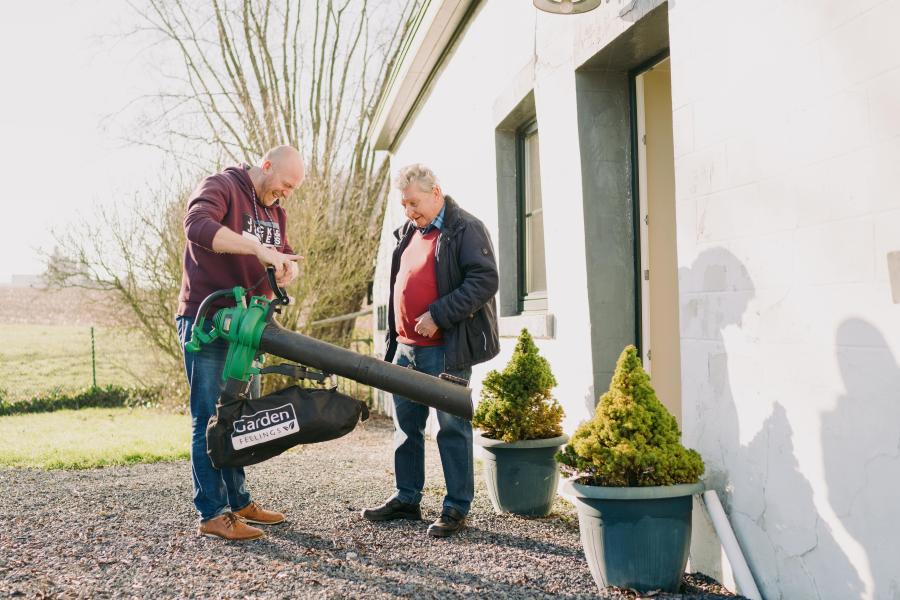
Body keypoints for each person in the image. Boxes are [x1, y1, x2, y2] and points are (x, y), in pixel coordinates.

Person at [362, 164, 499, 538]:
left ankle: (456, 507)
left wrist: (438, 314)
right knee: (406, 428)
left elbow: (485, 279)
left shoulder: (464, 228)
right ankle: (407, 497)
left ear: (435, 191)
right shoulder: (409, 231)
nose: (409, 211)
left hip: (445, 350)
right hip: (406, 348)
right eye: (404, 204)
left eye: (414, 202)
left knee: (451, 428)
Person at [175, 145, 304, 541]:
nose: (286, 194)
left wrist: (286, 269)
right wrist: (256, 248)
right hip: (209, 321)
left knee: (239, 418)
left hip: (247, 327)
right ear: (265, 166)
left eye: (293, 188)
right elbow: (195, 226)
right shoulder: (222, 186)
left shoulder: (275, 211)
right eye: (284, 184)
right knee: (210, 419)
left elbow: (277, 256)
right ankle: (212, 513)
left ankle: (239, 501)